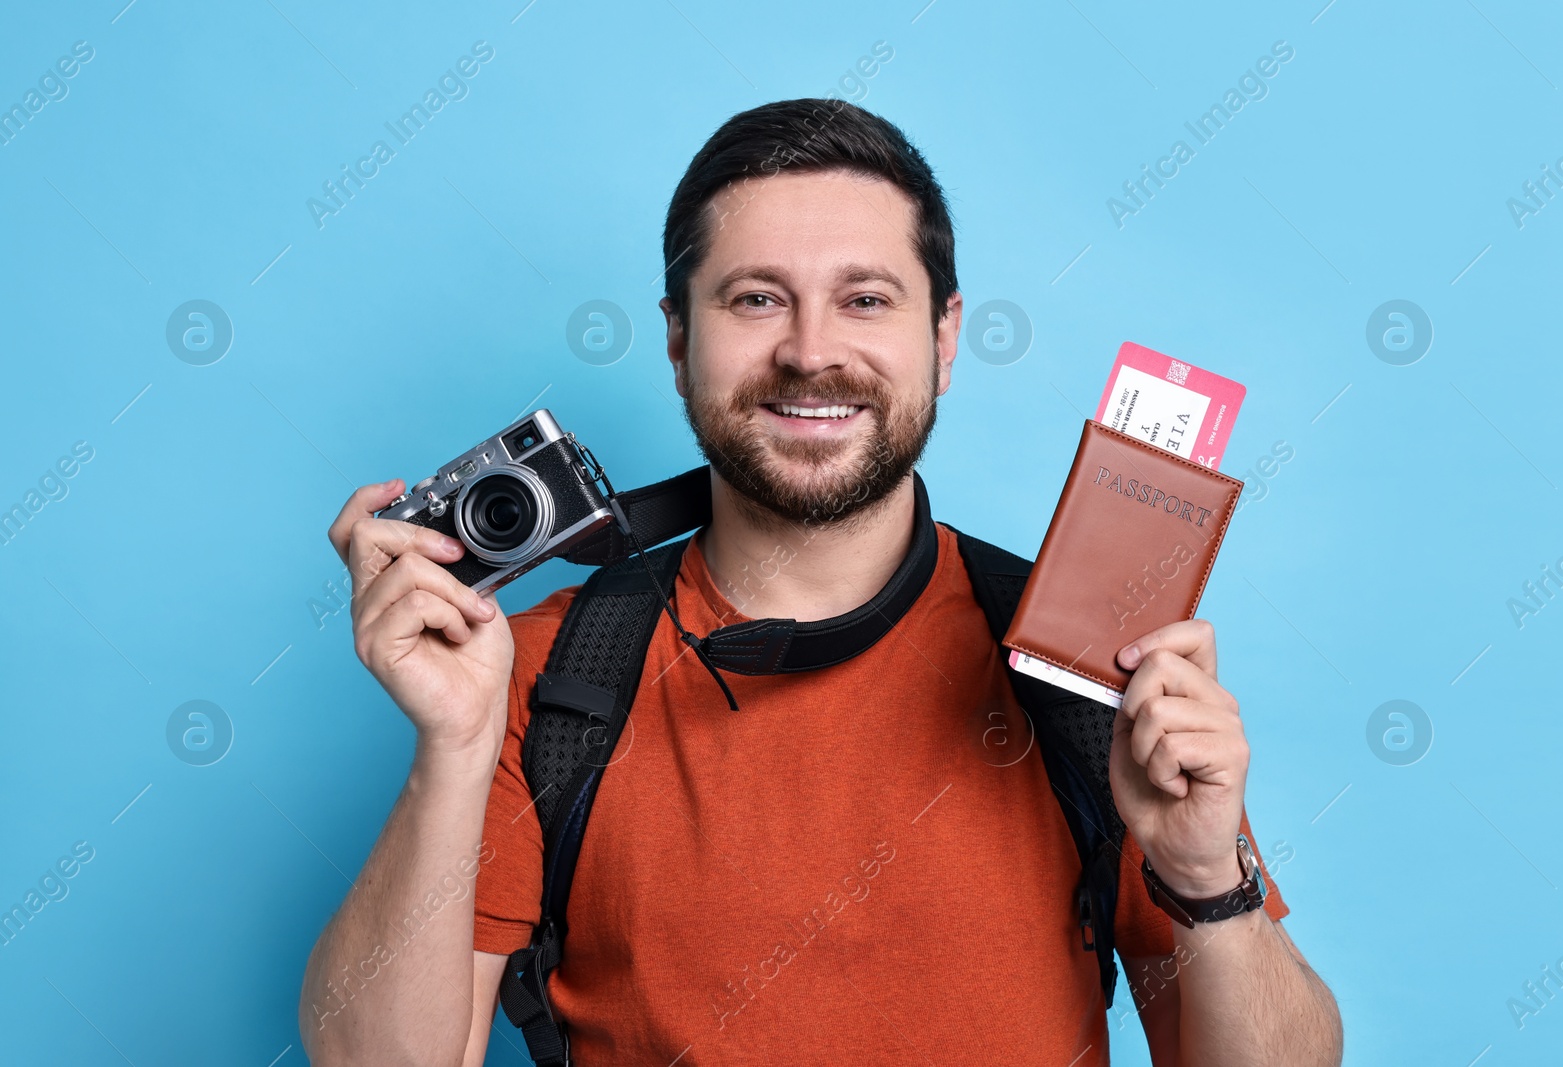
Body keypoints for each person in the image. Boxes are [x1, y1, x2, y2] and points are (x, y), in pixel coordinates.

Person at [301, 98, 1342, 1066]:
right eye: (756, 299)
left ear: (942, 338)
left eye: (865, 299)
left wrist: (1208, 882)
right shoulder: (540, 675)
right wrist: (450, 747)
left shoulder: (1085, 664)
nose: (810, 352)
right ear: (677, 339)